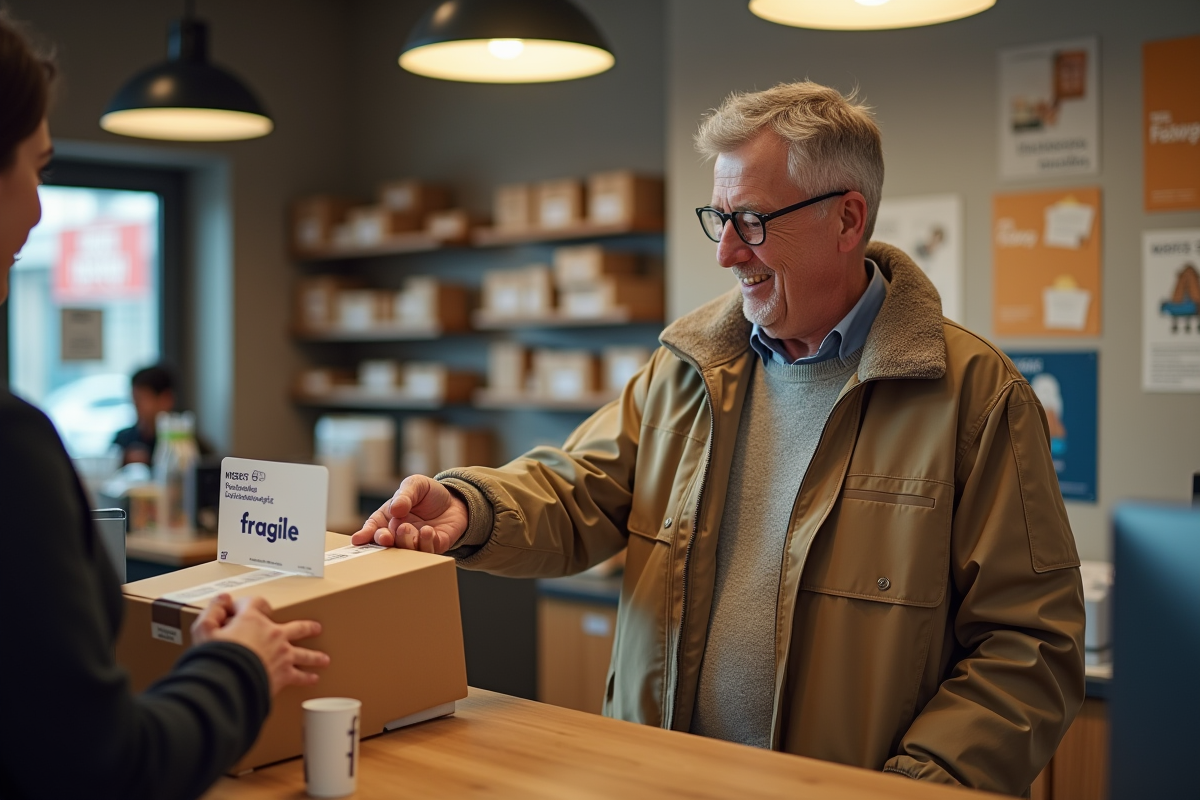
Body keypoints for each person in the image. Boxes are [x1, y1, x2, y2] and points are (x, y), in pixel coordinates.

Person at [354, 81, 1086, 795]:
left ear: (847, 219)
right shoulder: (689, 368)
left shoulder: (976, 398)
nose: (726, 253)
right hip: (657, 781)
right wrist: (472, 506)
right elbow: (579, 489)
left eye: (754, 222)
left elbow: (1029, 651)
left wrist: (915, 787)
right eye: (719, 218)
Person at [0, 14, 330, 800]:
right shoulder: (11, 448)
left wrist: (203, 668)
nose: (41, 211)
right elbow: (103, 769)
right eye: (38, 169)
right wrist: (241, 665)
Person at [113, 364, 178, 466]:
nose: (136, 406)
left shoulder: (187, 446)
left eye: (142, 399)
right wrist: (123, 459)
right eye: (134, 399)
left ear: (166, 399)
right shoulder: (123, 440)